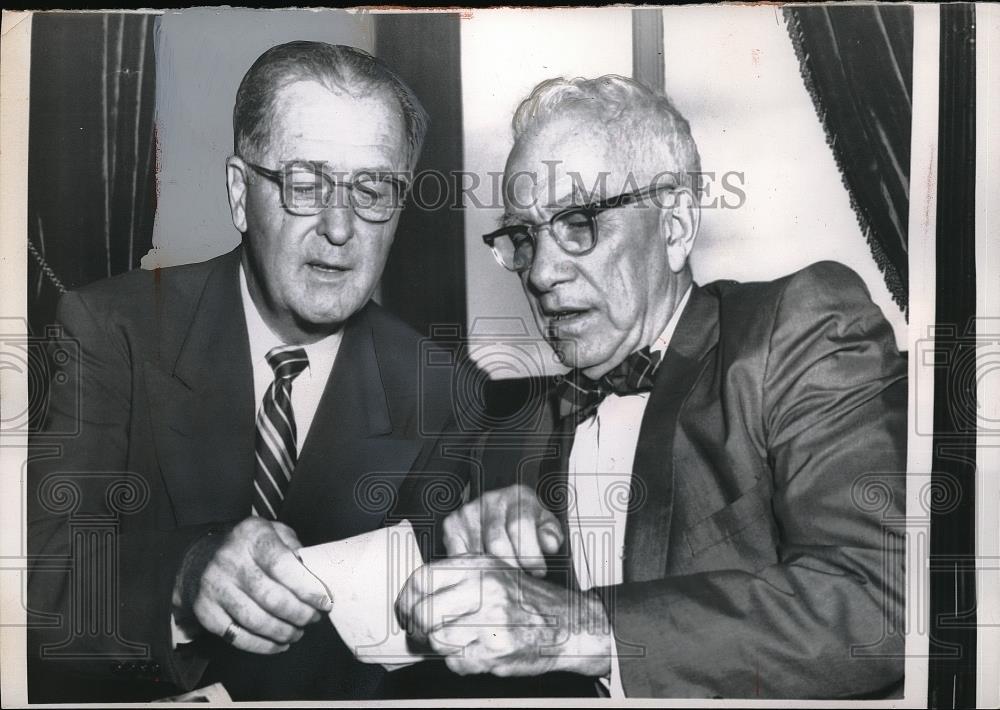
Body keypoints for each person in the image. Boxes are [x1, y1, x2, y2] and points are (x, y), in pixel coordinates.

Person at [395, 75, 907, 698]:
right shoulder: (502, 420)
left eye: (580, 221)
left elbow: (879, 605)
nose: (542, 272)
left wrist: (581, 628)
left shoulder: (794, 331)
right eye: (524, 237)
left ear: (674, 225)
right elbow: (393, 585)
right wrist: (459, 547)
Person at [27, 41, 456, 702]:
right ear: (239, 192)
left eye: (372, 189)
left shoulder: (445, 392)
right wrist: (185, 575)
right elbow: (41, 577)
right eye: (306, 183)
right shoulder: (111, 331)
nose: (339, 228)